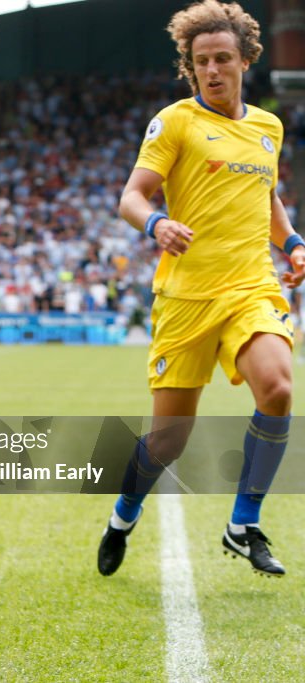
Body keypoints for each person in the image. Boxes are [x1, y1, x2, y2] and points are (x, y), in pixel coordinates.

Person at [97, 0, 305, 578]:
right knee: (168, 442)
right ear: (191, 67)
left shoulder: (268, 127)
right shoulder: (176, 121)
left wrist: (291, 244)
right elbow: (131, 196)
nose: (212, 69)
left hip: (250, 286)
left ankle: (243, 524)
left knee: (279, 388)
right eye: (201, 61)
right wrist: (155, 223)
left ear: (245, 61)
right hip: (186, 298)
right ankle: (123, 515)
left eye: (223, 59)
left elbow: (266, 197)